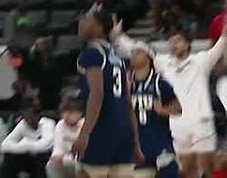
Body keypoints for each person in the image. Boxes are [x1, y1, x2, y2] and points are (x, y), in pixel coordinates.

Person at [113, 20, 226, 178]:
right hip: (176, 125)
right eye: (171, 42)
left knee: (204, 170)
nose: (174, 45)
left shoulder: (201, 61)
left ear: (187, 44)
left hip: (200, 124)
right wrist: (118, 37)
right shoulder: (164, 63)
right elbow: (139, 50)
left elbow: (222, 43)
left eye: (178, 41)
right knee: (185, 172)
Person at [73, 10, 142, 178]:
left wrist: (85, 133)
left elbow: (97, 94)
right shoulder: (118, 56)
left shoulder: (92, 53)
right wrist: (136, 142)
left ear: (98, 27)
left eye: (86, 19)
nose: (81, 22)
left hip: (101, 130)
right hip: (123, 132)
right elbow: (128, 103)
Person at [124, 41, 180, 178]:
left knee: (170, 171)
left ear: (149, 56)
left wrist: (163, 110)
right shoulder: (126, 83)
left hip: (159, 140)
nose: (134, 55)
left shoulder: (159, 82)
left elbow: (178, 108)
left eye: (138, 52)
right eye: (132, 52)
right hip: (136, 143)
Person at [0, 105, 55, 178]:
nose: (28, 120)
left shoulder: (48, 123)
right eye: (25, 117)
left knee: (41, 158)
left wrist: (25, 144)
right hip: (29, 157)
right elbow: (4, 145)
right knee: (9, 158)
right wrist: (25, 147)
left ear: (38, 115)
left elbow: (45, 145)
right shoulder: (23, 123)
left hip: (46, 157)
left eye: (30, 117)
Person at [46, 100, 84, 178]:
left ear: (79, 113)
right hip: (66, 157)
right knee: (51, 164)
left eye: (70, 113)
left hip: (84, 158)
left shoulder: (85, 125)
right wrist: (56, 156)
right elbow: (58, 146)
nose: (66, 116)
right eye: (64, 113)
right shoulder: (60, 125)